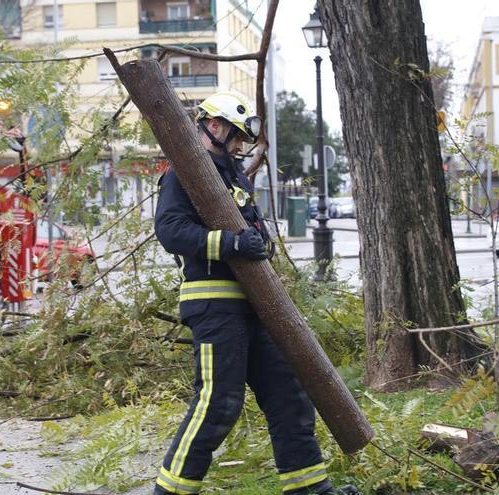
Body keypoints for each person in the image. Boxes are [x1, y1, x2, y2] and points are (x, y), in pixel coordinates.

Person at [152, 92, 358, 495]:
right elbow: (170, 231)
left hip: (255, 305)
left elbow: (251, 230)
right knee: (218, 404)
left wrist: (259, 243)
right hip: (213, 306)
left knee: (288, 396)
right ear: (215, 126)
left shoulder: (232, 176)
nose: (241, 148)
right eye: (236, 139)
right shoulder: (184, 175)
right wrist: (230, 245)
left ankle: (310, 489)